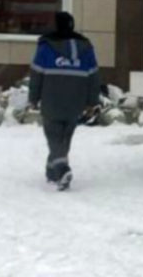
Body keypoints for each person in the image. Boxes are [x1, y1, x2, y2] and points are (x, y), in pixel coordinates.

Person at [28, 11, 100, 190]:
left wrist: (33, 98)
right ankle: (51, 170)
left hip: (52, 98)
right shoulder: (86, 48)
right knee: (64, 137)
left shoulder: (46, 47)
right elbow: (94, 76)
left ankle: (62, 169)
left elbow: (37, 74)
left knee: (53, 136)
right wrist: (92, 101)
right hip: (76, 100)